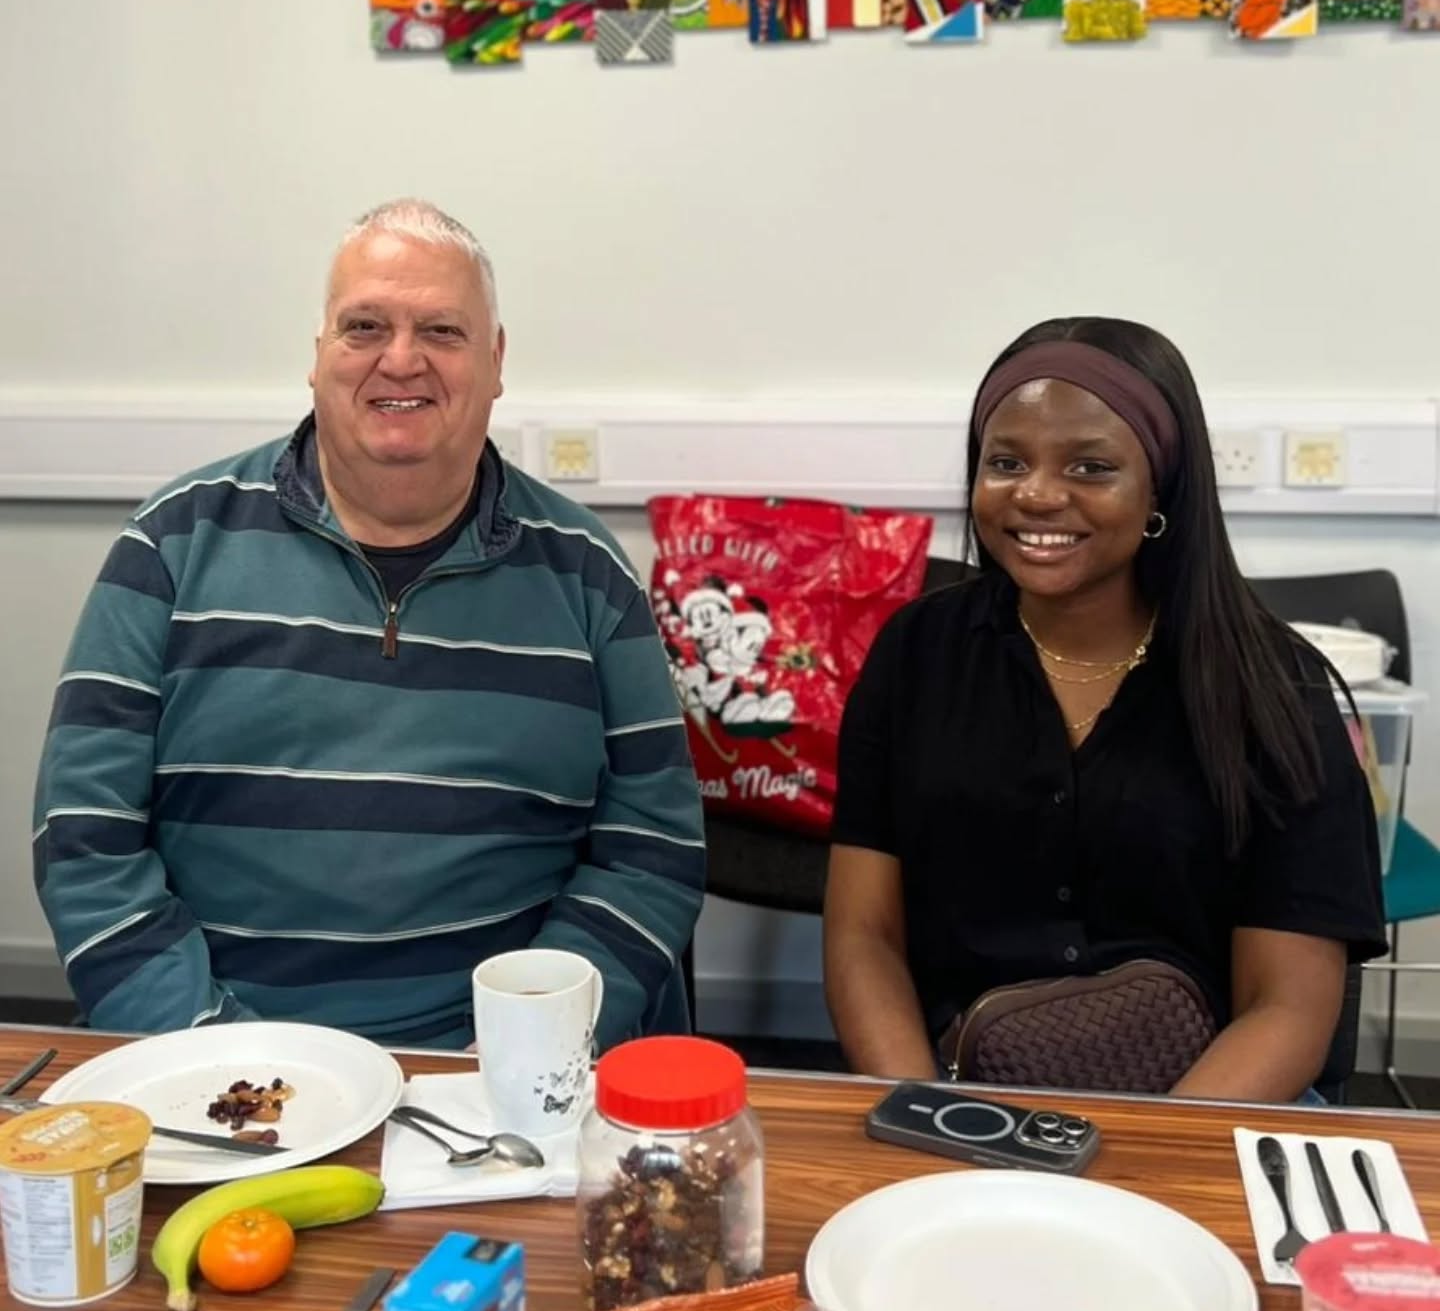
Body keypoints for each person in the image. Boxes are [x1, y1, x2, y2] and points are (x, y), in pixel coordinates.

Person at [32, 200, 704, 1048]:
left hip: (499, 1070)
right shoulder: (173, 544)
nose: (401, 358)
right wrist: (213, 1051)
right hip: (210, 1052)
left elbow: (653, 848)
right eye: (365, 326)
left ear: (495, 363)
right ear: (318, 358)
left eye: (442, 331)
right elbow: (84, 840)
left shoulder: (586, 573)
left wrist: (519, 1047)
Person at [824, 318, 1386, 1103]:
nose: (1038, 494)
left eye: (1091, 466)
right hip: (963, 1097)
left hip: (1209, 1108)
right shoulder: (917, 654)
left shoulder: (1275, 691)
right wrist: (924, 1112)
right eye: (1006, 461)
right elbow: (864, 936)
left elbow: (1287, 1007)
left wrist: (1136, 1164)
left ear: (1161, 487)